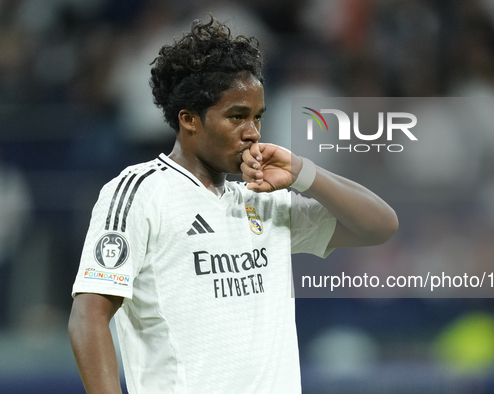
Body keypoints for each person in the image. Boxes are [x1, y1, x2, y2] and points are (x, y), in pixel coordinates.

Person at [68, 17, 398, 394]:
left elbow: (380, 225)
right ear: (189, 119)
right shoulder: (139, 191)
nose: (253, 132)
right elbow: (89, 315)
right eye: (237, 116)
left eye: (257, 117)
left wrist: (303, 172)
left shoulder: (264, 200)